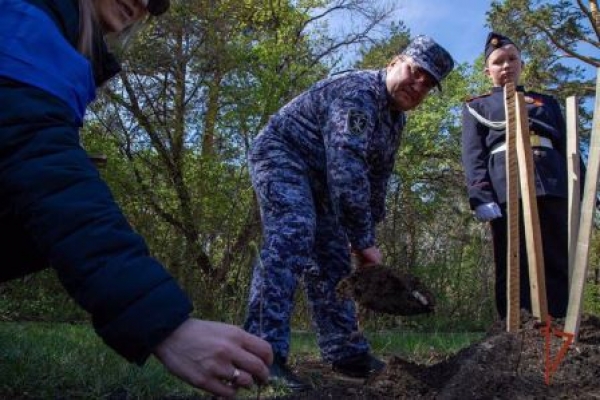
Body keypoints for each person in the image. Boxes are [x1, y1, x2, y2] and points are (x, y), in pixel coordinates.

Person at [0, 0, 272, 397]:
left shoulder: (58, 36)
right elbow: (43, 167)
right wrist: (167, 326)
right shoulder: (24, 15)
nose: (146, 3)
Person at [244, 35, 454, 389]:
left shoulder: (394, 121)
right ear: (394, 62)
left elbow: (377, 179)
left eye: (429, 85)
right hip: (284, 155)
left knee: (332, 260)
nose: (419, 86)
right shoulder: (358, 94)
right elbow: (346, 168)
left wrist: (366, 235)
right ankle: (261, 354)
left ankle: (346, 353)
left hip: (322, 180)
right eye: (416, 72)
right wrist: (361, 240)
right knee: (294, 231)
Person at [461, 32, 578, 320]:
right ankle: (517, 326)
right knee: (513, 260)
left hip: (551, 183)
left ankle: (559, 320)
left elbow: (569, 148)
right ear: (487, 71)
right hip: (506, 187)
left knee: (556, 257)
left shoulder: (546, 103)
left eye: (512, 59)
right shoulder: (478, 106)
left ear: (521, 63)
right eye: (498, 62)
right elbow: (473, 155)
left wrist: (586, 191)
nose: (506, 66)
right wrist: (480, 195)